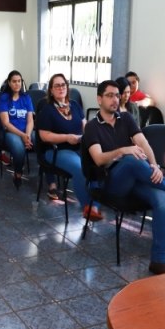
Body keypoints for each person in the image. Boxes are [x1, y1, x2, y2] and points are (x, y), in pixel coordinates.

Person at [83, 80, 165, 275]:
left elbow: (143, 143)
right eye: (110, 95)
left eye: (117, 95)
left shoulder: (125, 118)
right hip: (109, 181)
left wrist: (155, 166)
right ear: (99, 99)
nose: (115, 99)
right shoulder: (93, 127)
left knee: (160, 198)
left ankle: (158, 260)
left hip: (134, 177)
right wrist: (122, 150)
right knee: (130, 159)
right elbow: (99, 159)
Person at [36, 73, 102, 220]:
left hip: (79, 147)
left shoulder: (75, 105)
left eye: (63, 85)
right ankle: (88, 207)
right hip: (57, 150)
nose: (61, 88)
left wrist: (89, 135)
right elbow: (44, 136)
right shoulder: (47, 110)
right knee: (80, 168)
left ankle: (95, 206)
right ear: (51, 90)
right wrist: (67, 137)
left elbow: (84, 125)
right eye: (57, 86)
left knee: (97, 164)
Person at [0, 70, 34, 189]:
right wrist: (22, 136)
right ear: (9, 83)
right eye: (14, 81)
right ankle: (18, 173)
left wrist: (27, 135)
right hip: (10, 132)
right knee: (19, 148)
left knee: (42, 140)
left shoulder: (26, 97)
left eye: (19, 81)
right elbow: (6, 123)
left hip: (26, 131)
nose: (17, 84)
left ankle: (49, 178)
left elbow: (30, 120)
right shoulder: (4, 98)